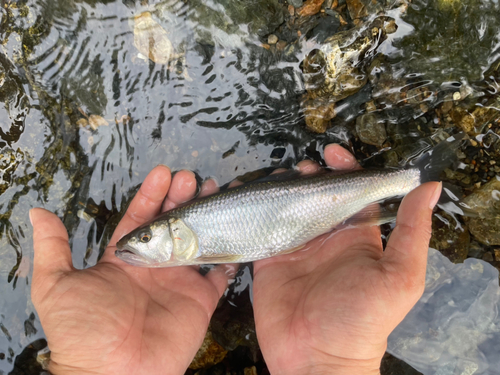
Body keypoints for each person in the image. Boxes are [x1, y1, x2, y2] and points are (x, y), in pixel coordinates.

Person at [31, 144, 441, 375]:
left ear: (175, 233)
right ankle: (408, 179)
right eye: (143, 237)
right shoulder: (190, 242)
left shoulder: (204, 248)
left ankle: (410, 178)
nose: (136, 245)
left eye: (146, 237)